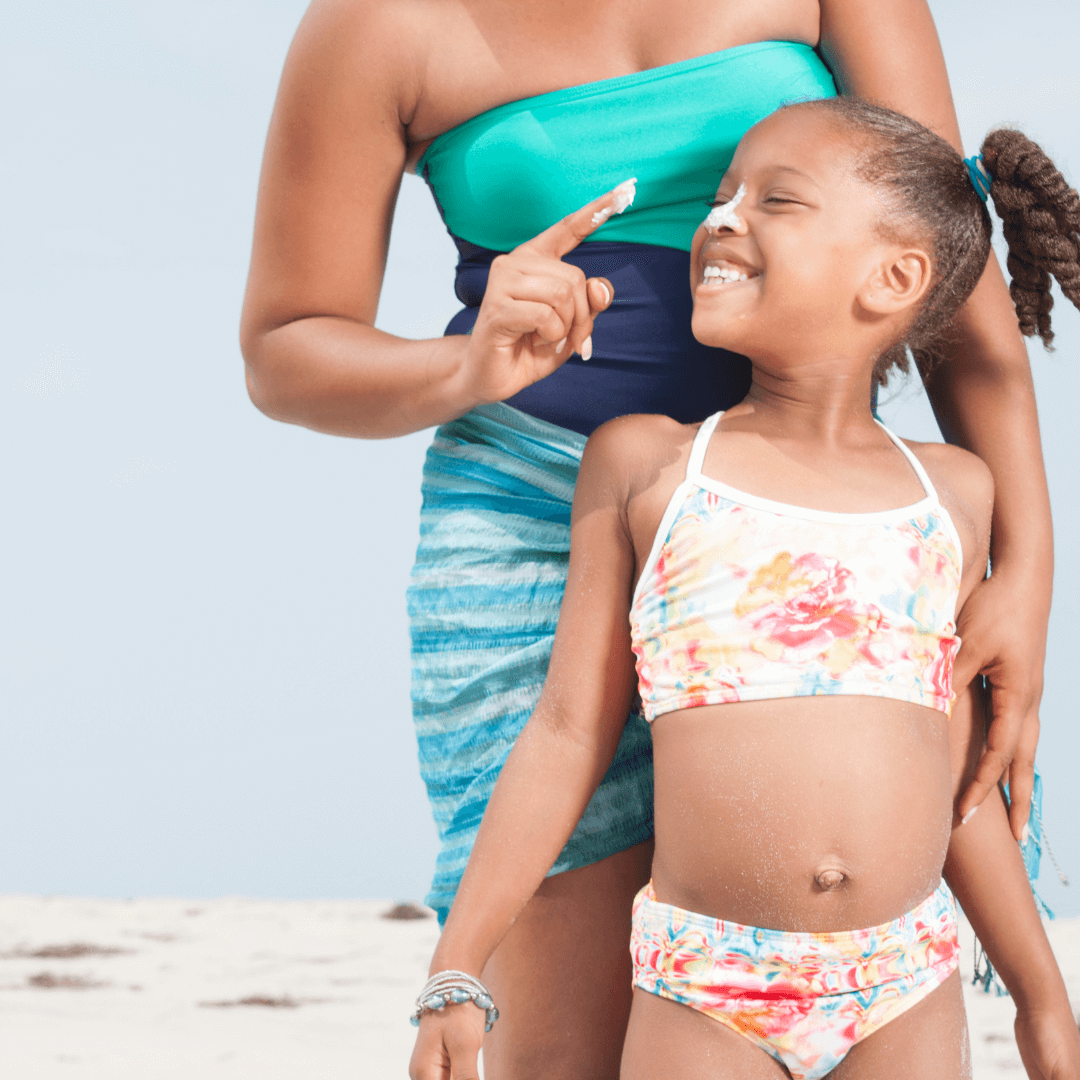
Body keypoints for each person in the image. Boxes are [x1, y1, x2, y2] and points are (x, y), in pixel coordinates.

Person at [240, 3, 1052, 1074]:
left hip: (802, 525)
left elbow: (947, 255)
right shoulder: (379, 26)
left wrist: (1029, 568)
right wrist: (462, 368)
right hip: (529, 519)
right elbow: (286, 346)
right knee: (568, 1042)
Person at [408, 99, 1080, 1080]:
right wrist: (459, 964)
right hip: (706, 987)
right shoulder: (648, 468)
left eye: (777, 200)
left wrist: (1040, 992)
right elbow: (564, 732)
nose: (720, 219)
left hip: (905, 976)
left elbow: (961, 770)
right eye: (721, 198)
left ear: (894, 277)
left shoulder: (953, 492)